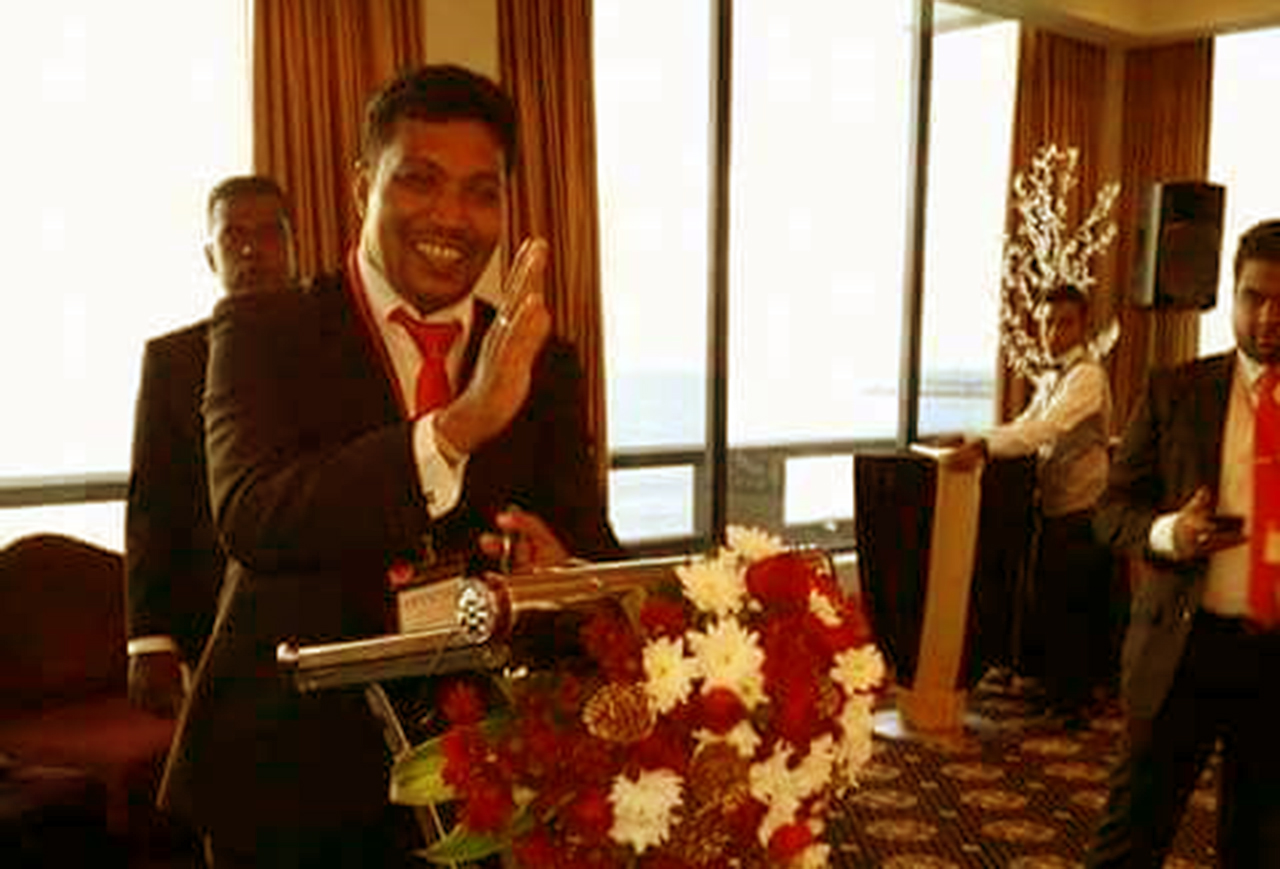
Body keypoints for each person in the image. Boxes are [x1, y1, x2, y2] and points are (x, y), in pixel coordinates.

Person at [158, 65, 622, 867]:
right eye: (420, 180)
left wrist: (564, 577)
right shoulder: (263, 330)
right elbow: (254, 514)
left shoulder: (539, 360)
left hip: (477, 777)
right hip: (288, 773)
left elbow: (589, 551)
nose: (452, 216)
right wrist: (458, 426)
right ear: (360, 187)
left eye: (481, 192)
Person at [1085, 220, 1280, 867]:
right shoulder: (1176, 389)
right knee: (1129, 841)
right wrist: (1170, 531)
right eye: (1254, 297)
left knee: (1260, 848)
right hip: (1184, 648)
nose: (1268, 317)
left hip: (1276, 659)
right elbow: (1110, 511)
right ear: (1232, 293)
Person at [125, 175, 300, 718]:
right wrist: (149, 640)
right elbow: (153, 503)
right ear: (210, 256)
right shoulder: (172, 362)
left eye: (268, 233)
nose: (251, 250)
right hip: (216, 615)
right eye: (234, 236)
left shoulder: (339, 340)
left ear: (293, 244)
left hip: (327, 608)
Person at [952, 284, 1116, 726]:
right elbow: (1021, 426)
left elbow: (1046, 430)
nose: (1053, 333)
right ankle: (1058, 692)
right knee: (1053, 601)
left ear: (1083, 326)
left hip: (1085, 507)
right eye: (1046, 323)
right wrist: (969, 438)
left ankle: (1072, 704)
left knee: (1071, 606)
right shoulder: (1050, 379)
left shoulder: (1087, 377)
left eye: (1064, 323)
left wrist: (982, 447)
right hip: (1056, 506)